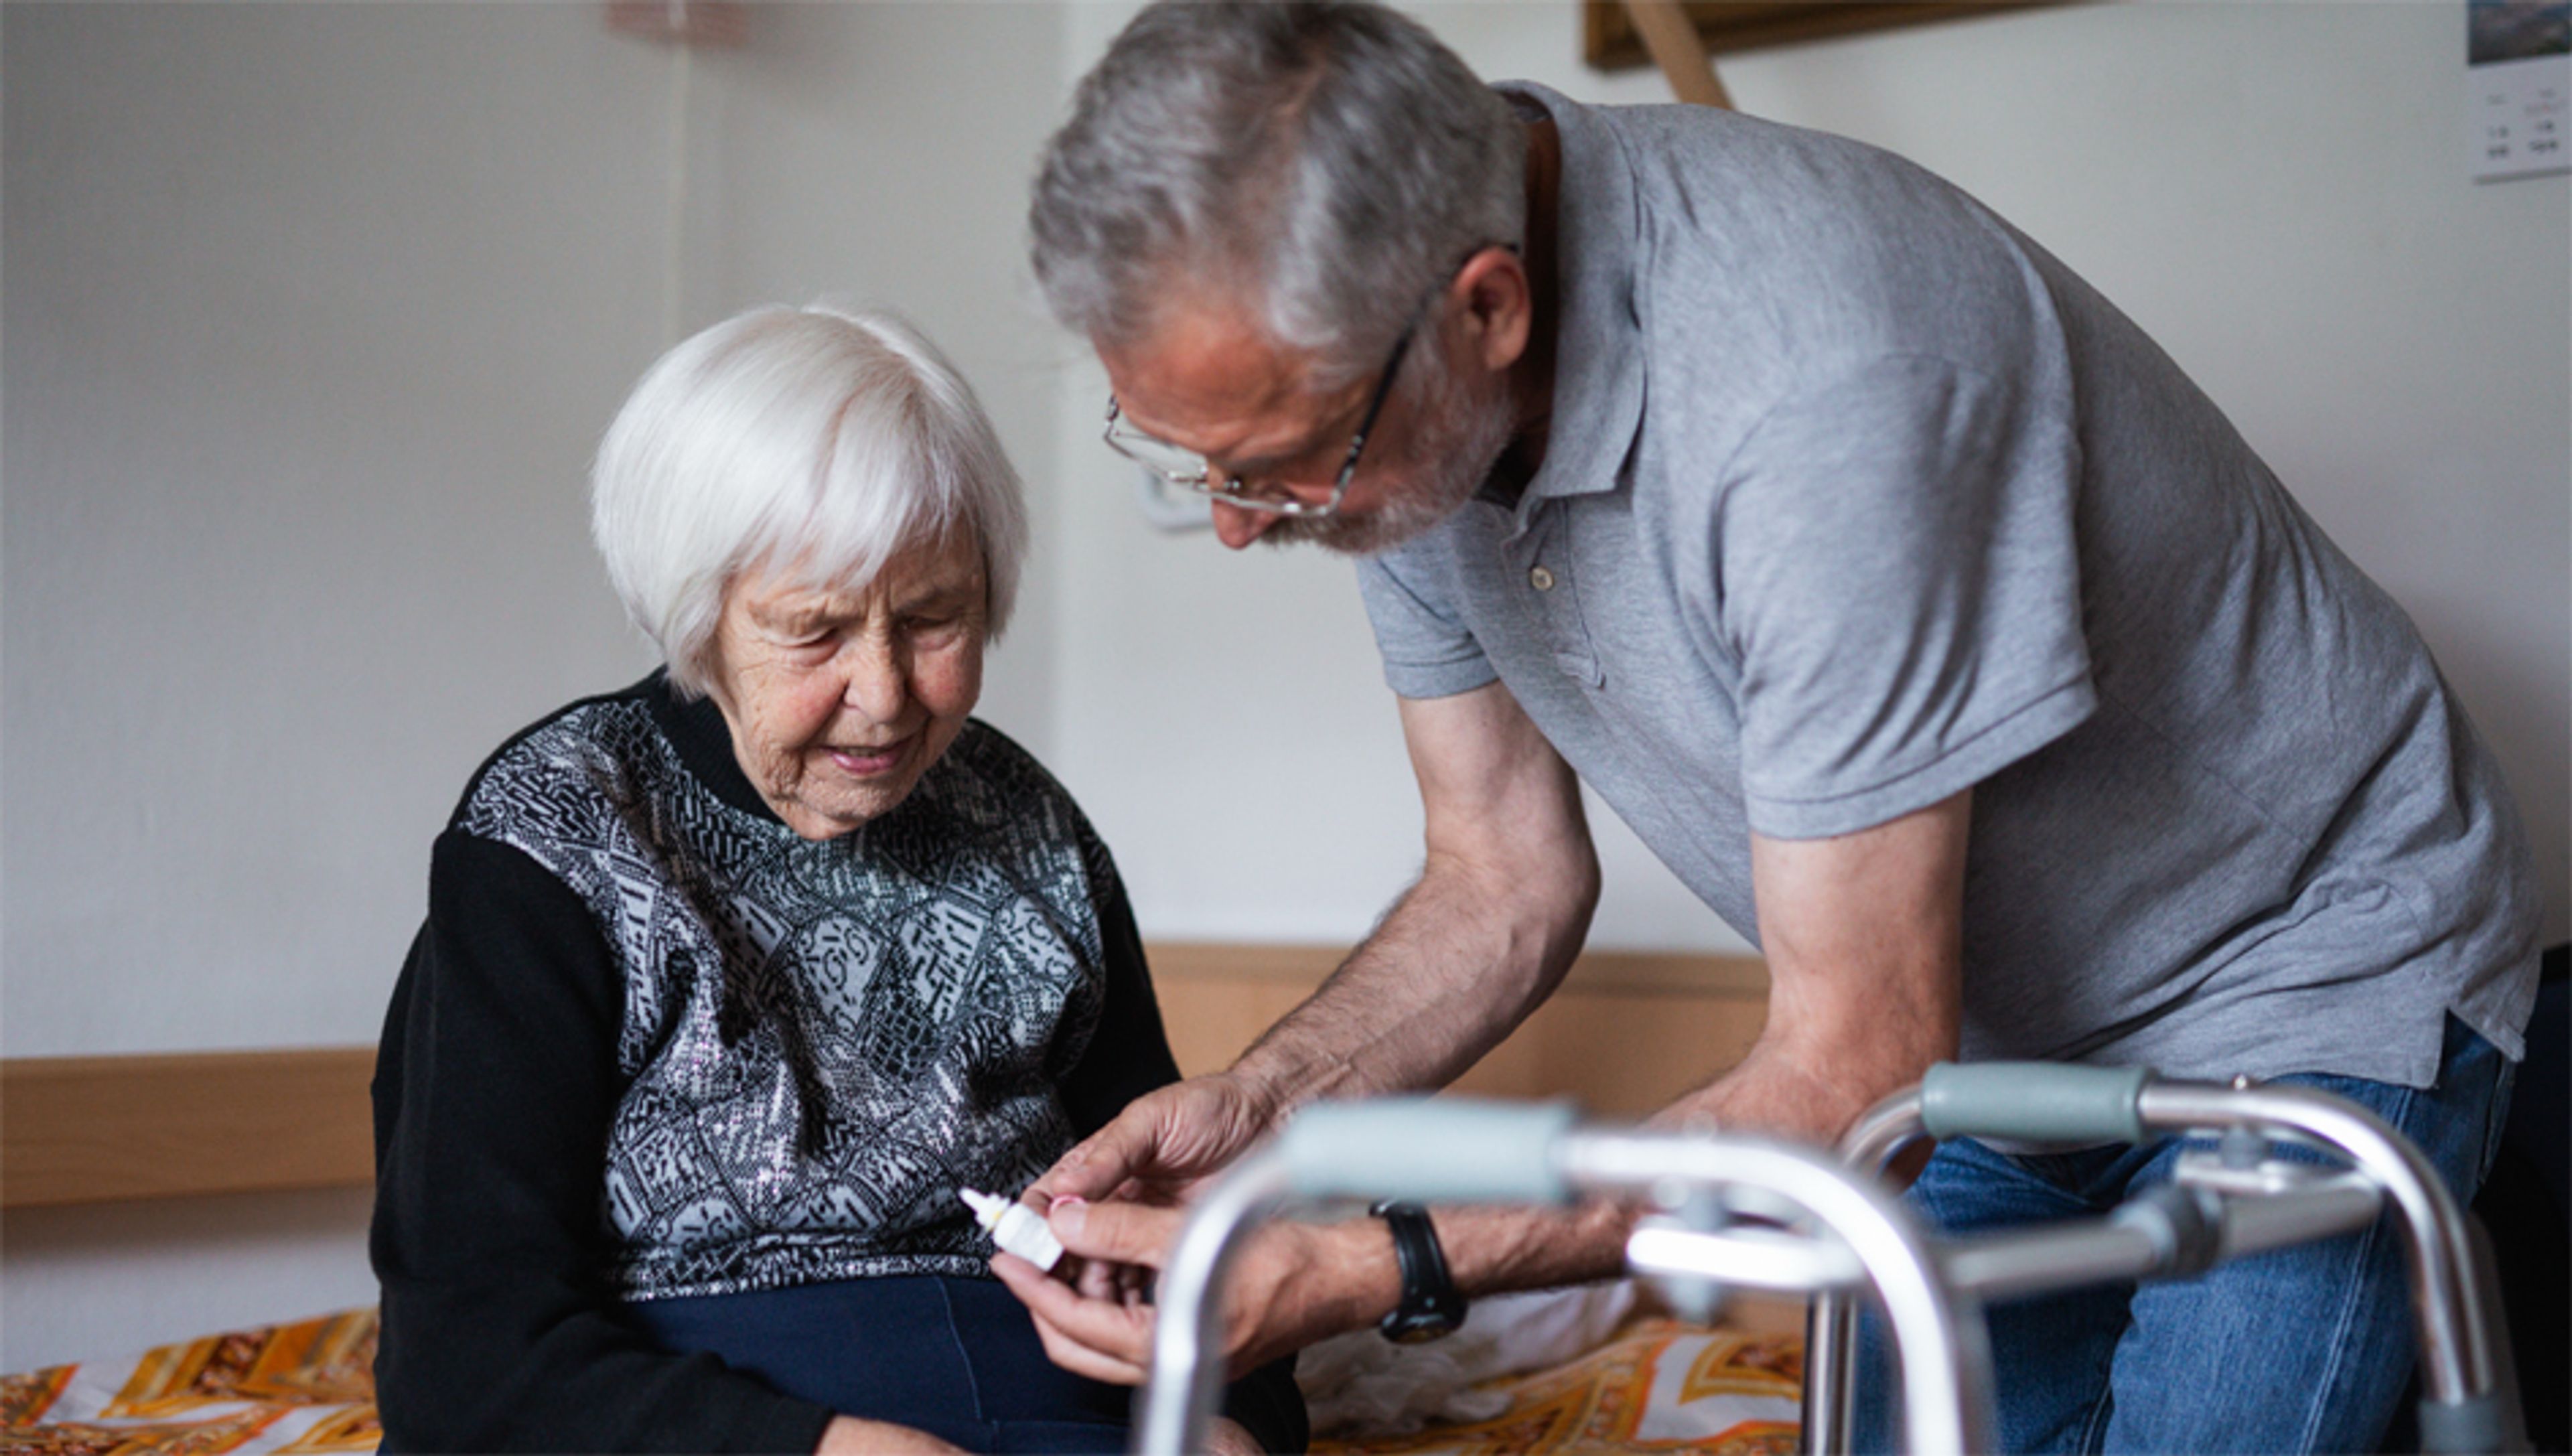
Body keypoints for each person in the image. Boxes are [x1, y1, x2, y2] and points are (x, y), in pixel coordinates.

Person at [993, 5, 2543, 1452]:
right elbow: (1501, 878)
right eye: (1192, 456)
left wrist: (1379, 1261)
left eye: (1279, 465)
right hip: (1978, 1040)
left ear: (1488, 306)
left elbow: (1847, 1059)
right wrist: (1258, 1117)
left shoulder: (1827, 390)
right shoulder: (1405, 399)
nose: (1243, 525)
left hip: (2300, 975)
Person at [368, 304, 1303, 1454]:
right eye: (814, 630)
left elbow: (1187, 1234)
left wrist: (1235, 1422)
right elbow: (464, 1359)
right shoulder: (556, 832)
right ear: (697, 612)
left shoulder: (1031, 823)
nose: (885, 693)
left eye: (932, 618)